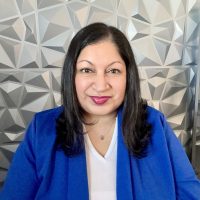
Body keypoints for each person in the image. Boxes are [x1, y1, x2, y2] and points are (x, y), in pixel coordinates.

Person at [0, 22, 200, 200]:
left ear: (127, 76)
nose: (100, 85)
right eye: (87, 70)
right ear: (72, 75)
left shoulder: (155, 124)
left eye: (113, 71)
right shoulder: (41, 130)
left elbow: (190, 194)